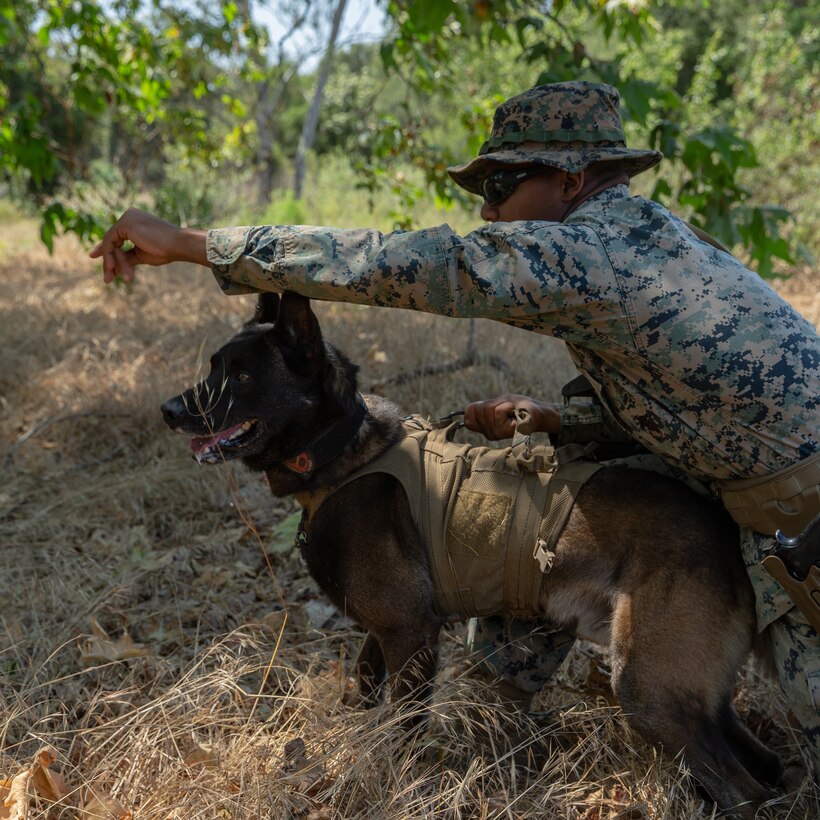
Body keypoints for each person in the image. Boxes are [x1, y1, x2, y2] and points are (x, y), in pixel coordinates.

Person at [91, 81, 819, 776]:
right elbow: (694, 403)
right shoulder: (651, 235)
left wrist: (191, 243)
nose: (491, 212)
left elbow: (401, 265)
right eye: (482, 194)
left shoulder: (587, 255)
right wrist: (559, 418)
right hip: (752, 499)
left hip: (801, 517)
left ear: (572, 182)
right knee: (524, 506)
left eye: (502, 187)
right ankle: (491, 728)